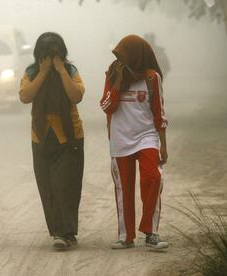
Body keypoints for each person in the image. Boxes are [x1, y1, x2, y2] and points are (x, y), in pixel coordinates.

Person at [99, 35, 169, 250]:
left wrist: (163, 144)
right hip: (120, 140)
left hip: (146, 137)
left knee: (153, 178)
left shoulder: (151, 77)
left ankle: (151, 232)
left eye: (124, 56)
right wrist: (118, 84)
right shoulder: (113, 75)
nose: (121, 60)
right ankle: (125, 236)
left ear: (137, 56)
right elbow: (106, 106)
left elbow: (159, 113)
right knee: (123, 189)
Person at [19, 32, 85, 249]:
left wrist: (59, 69)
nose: (51, 57)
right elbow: (25, 97)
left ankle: (64, 232)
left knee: (65, 185)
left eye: (55, 53)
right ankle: (59, 231)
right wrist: (44, 71)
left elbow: (76, 96)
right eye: (47, 54)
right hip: (41, 136)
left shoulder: (70, 71)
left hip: (69, 136)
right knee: (47, 186)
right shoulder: (31, 72)